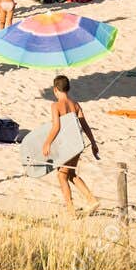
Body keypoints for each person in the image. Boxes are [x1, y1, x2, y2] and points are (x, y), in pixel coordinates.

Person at [41, 75, 100, 214]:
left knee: (62, 176)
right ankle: (91, 199)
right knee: (71, 173)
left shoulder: (55, 106)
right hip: (78, 144)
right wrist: (93, 142)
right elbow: (85, 126)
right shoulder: (75, 104)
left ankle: (70, 209)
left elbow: (56, 126)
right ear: (68, 88)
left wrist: (47, 143)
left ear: (55, 89)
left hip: (67, 146)